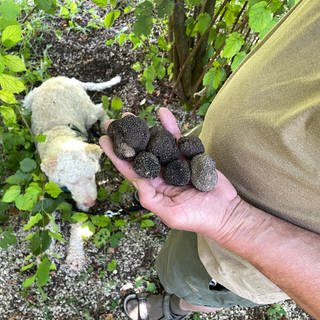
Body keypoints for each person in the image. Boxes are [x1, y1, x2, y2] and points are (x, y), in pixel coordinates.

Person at [99, 0, 320, 319]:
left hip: (244, 252)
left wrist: (234, 222)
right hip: (207, 179)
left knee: (190, 282)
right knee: (177, 258)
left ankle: (176, 307)